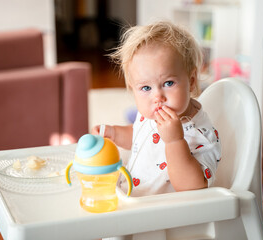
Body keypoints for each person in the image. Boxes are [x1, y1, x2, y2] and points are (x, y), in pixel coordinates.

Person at [92, 21, 221, 197]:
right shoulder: (150, 116)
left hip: (163, 214)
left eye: (168, 83)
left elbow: (191, 187)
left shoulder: (201, 134)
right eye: (146, 88)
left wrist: (174, 141)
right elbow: (138, 135)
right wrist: (113, 133)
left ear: (191, 82)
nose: (157, 97)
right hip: (132, 197)